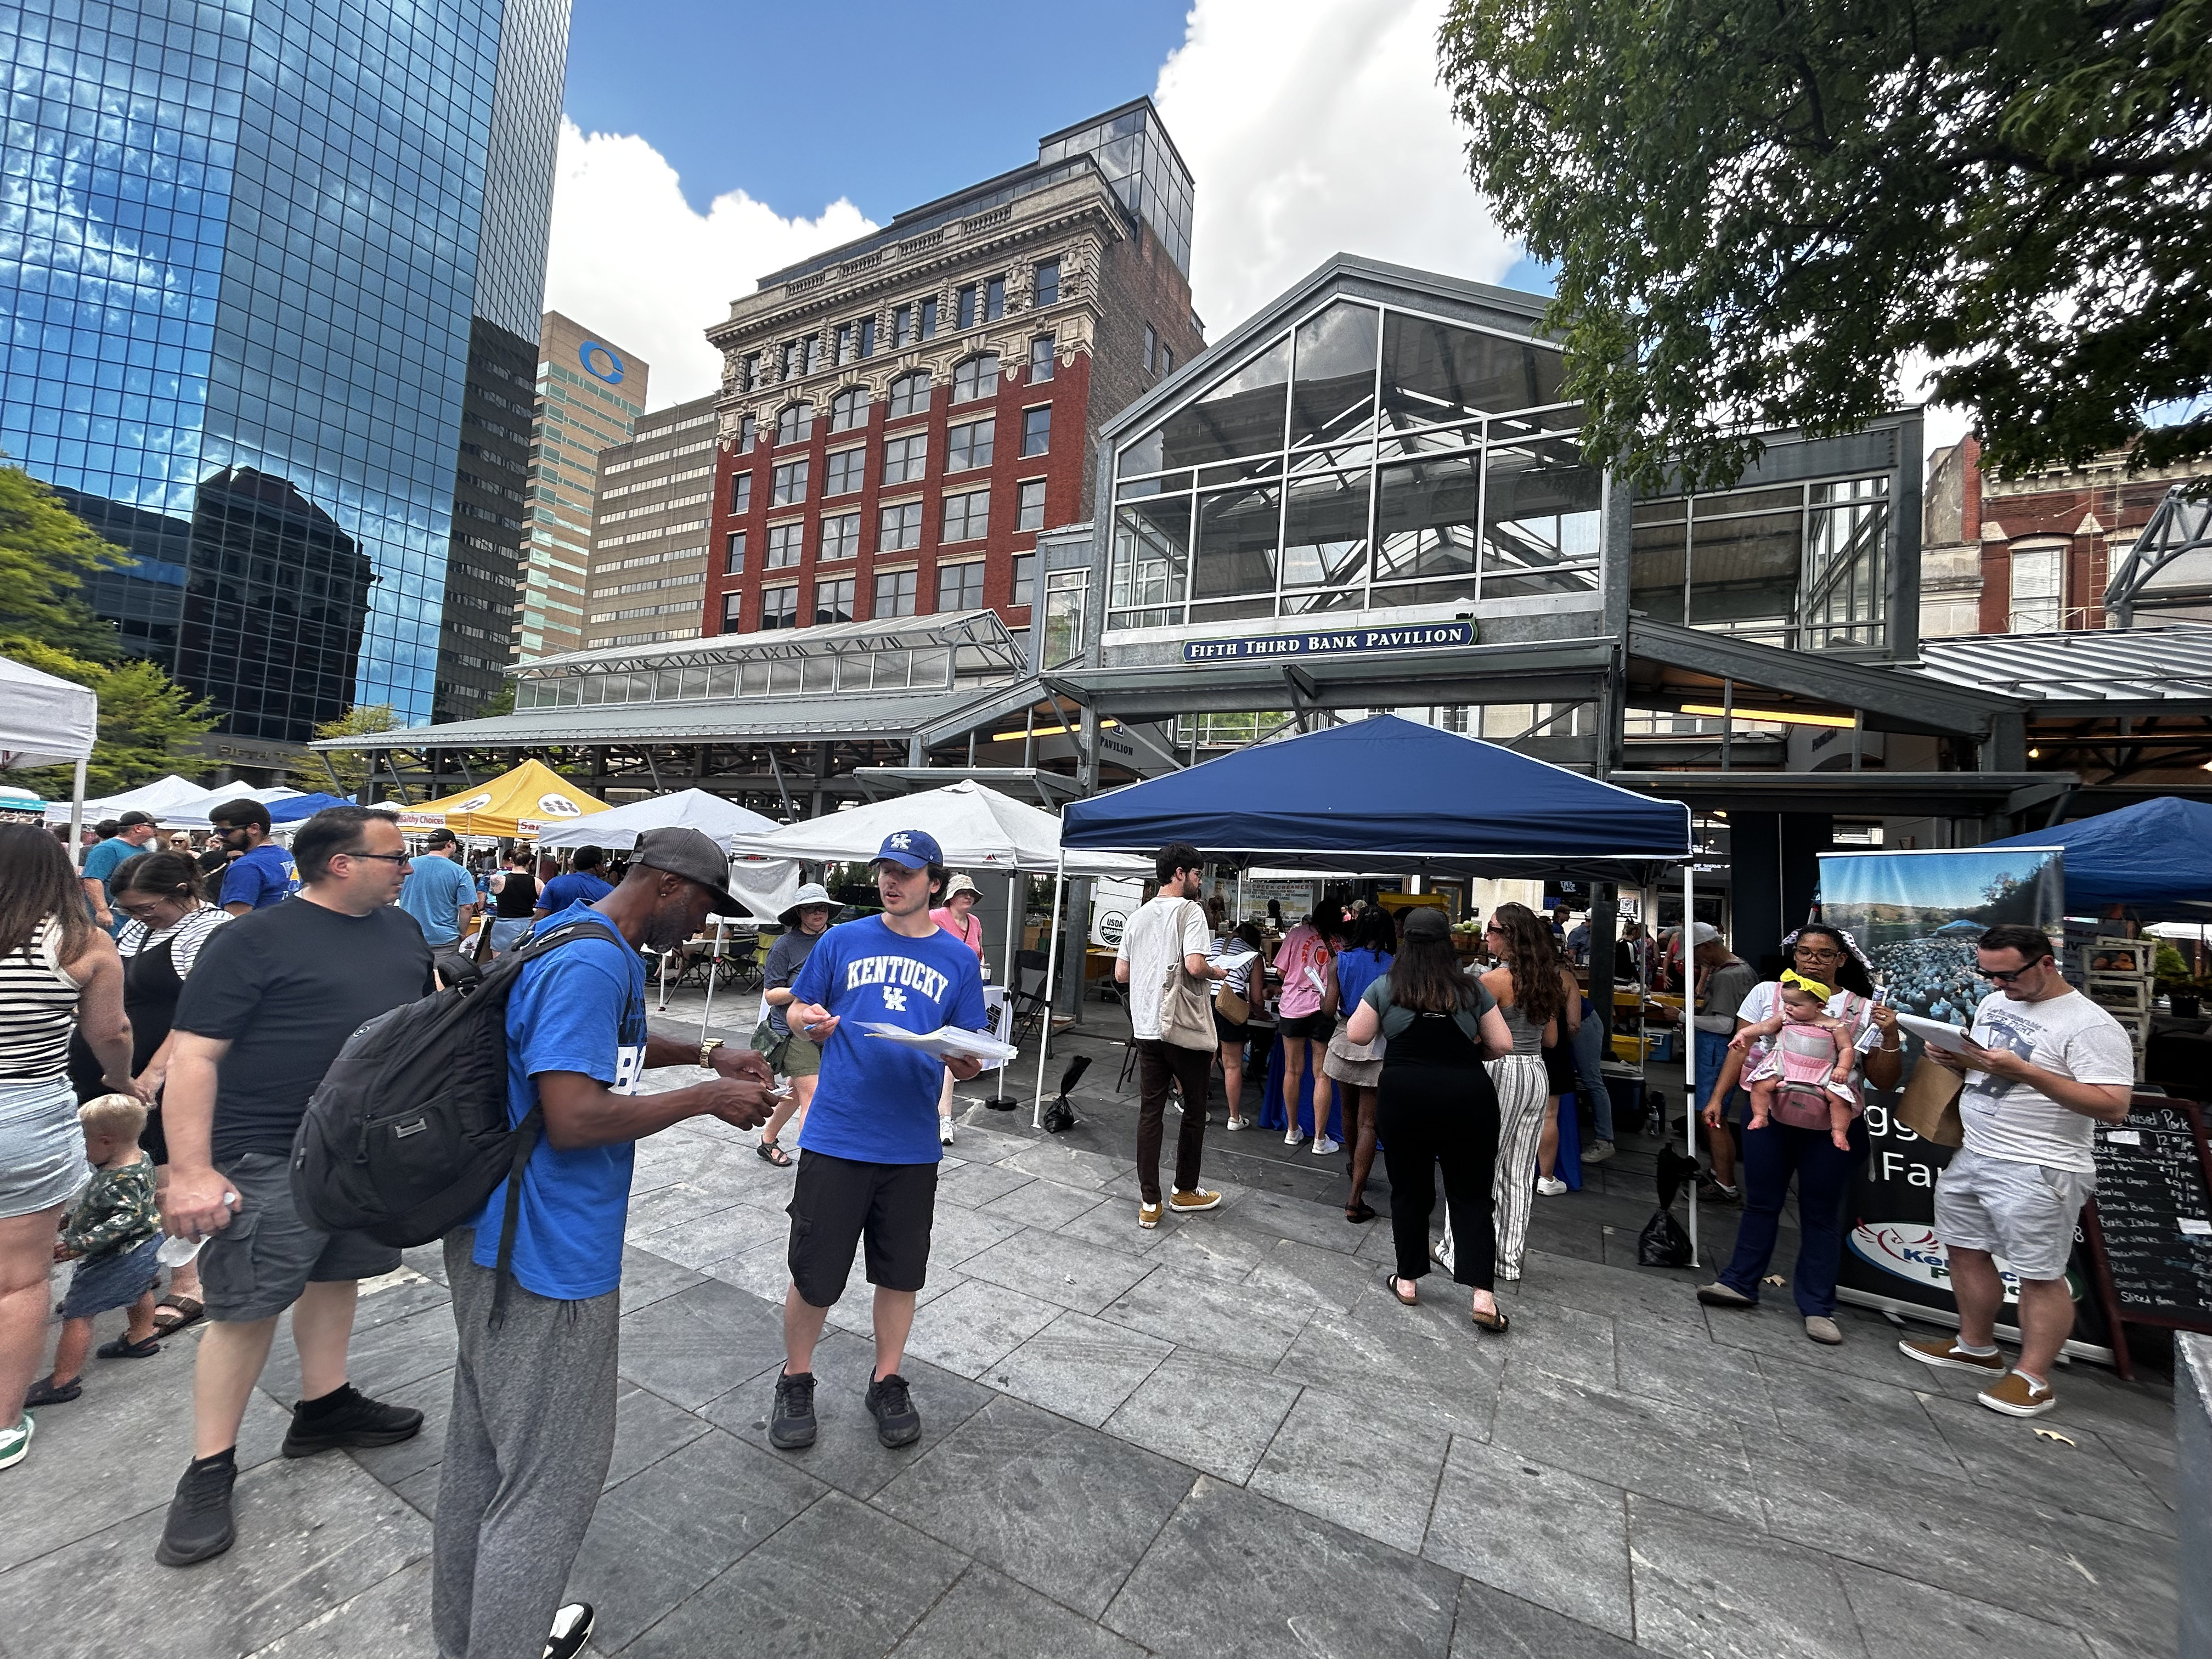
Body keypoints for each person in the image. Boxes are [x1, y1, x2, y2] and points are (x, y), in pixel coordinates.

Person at [432, 827, 776, 1659]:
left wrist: (702, 1051)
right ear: (664, 885)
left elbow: (600, 1045)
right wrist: (703, 1099)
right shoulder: (593, 960)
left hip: (495, 1231)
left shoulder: (575, 933)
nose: (702, 927)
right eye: (701, 906)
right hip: (544, 1249)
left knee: (482, 1460)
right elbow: (575, 1115)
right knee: (550, 1482)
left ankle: (473, 1640)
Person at [154, 806, 436, 1566]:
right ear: (341, 863)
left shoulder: (402, 932)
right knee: (246, 1308)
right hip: (266, 1153)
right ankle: (209, 1468)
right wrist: (189, 1172)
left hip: (361, 1153)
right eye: (394, 857)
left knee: (336, 1274)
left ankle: (325, 1404)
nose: (406, 867)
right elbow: (195, 1058)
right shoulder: (250, 940)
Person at [771, 830, 989, 1453]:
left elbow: (968, 1046)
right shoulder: (842, 939)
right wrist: (805, 1020)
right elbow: (797, 1008)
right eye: (885, 871)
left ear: (935, 884)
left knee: (901, 1273)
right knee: (814, 1272)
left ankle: (887, 1378)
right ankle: (796, 1377)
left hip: (911, 1144)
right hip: (838, 1133)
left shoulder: (957, 959)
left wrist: (967, 1064)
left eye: (906, 872)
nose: (891, 881)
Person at [1898, 924, 2134, 1417]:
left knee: (2040, 1274)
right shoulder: (1994, 1004)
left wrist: (2025, 1071)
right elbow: (1988, 1067)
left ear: (2045, 963)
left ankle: (2033, 1377)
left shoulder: (2091, 1026)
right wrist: (1952, 1058)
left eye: (2007, 975)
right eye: (1988, 975)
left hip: (2041, 1165)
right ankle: (1976, 1345)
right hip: (1977, 1152)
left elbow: (2113, 1106)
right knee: (1964, 1250)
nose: (1997, 985)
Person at [0, 824, 137, 1471]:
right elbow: (111, 1034)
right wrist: (122, 1079)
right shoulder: (85, 944)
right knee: (21, 1281)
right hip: (26, 1113)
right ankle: (2, 1425)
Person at [1697, 923, 1902, 1345]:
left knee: (1821, 1214)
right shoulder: (1768, 995)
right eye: (1805, 952)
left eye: (1824, 953)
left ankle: (1817, 1305)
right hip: (1770, 1117)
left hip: (1830, 1128)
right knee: (1761, 1203)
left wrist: (1890, 1034)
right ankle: (1739, 1281)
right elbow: (1742, 1048)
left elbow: (1881, 1080)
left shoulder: (1859, 1010)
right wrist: (1718, 1099)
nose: (1812, 960)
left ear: (1841, 960)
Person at [71, 853, 230, 1335]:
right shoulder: (138, 929)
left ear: (184, 889)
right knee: (127, 1174)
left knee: (169, 1178)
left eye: (147, 906)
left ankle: (189, 1283)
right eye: (130, 909)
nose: (138, 916)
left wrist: (154, 1075)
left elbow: (200, 1016)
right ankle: (135, 1272)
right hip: (117, 1071)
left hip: (164, 1071)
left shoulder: (213, 931)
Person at [1345, 907, 1514, 1327]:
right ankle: (1483, 1298)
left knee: (1409, 1188)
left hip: (1405, 1097)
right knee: (1473, 1193)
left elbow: (1357, 1034)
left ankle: (1407, 1280)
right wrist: (1469, 1053)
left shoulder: (1387, 986)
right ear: (1448, 945)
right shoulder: (1472, 990)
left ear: (1406, 943)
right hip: (1467, 1095)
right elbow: (1503, 1044)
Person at [24, 1093, 163, 1406]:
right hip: (146, 1243)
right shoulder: (138, 1157)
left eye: (82, 1142)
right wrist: (70, 1220)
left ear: (106, 1141)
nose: (81, 1151)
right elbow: (103, 1207)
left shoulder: (120, 1177)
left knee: (79, 1311)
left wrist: (79, 1243)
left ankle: (63, 1380)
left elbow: (125, 1219)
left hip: (121, 1252)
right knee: (139, 1288)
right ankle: (142, 1337)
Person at [1114, 843, 1226, 1228]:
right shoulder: (1191, 912)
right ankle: (1185, 1190)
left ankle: (1149, 1202)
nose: (1200, 882)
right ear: (1180, 873)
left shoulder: (1137, 916)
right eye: (1197, 874)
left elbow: (1121, 975)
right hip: (1179, 1024)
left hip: (1146, 1026)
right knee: (1194, 1109)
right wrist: (1217, 972)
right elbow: (1195, 965)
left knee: (1150, 1112)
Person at [1480, 903, 1564, 1278]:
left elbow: (1475, 1036)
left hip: (1502, 1069)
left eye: (1492, 928)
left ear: (1510, 935)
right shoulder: (1548, 979)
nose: (1487, 934)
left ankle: (1459, 1245)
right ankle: (1508, 1258)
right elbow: (1551, 1039)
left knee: (1481, 1164)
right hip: (1536, 1071)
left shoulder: (1494, 982)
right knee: (1518, 1170)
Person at [755, 884, 835, 1169]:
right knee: (813, 1092)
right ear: (799, 913)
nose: (818, 913)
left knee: (797, 1092)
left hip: (829, 1030)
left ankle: (767, 1140)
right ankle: (816, 1165)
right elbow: (770, 994)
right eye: (812, 908)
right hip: (793, 1031)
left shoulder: (836, 938)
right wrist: (801, 988)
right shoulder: (785, 946)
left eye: (822, 907)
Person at [1733, 971, 1860, 1148]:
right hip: (1785, 1065)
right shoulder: (1784, 1018)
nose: (1788, 1007)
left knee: (1839, 1099)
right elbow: (1764, 1027)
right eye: (1786, 1002)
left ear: (1819, 1006)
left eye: (1795, 1004)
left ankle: (1839, 1131)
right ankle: (1760, 1116)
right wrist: (1743, 1032)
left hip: (1821, 1071)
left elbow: (1846, 1048)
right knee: (1760, 1085)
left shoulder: (1835, 1026)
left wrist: (1843, 1069)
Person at [1325, 908, 1396, 1221]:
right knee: (1370, 1122)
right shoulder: (1394, 967)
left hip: (1344, 1039)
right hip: (1378, 1045)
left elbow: (1328, 1009)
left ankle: (1354, 1165)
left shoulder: (1339, 960)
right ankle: (1356, 1197)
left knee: (1348, 1112)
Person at [1688, 924, 1759, 1199]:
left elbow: (1722, 1023)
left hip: (1717, 1049)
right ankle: (1720, 1172)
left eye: (1696, 952)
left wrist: (1683, 1018)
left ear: (1707, 947)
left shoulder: (1729, 977)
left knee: (1712, 1116)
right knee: (1713, 1115)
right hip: (1723, 1048)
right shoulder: (1742, 969)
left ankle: (1725, 1183)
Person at [928, 873, 986, 1146]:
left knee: (954, 1052)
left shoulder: (974, 922)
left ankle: (945, 1118)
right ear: (950, 897)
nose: (968, 897)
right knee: (932, 1050)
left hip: (964, 993)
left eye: (972, 894)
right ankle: (938, 1115)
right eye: (963, 893)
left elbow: (979, 953)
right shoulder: (936, 916)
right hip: (937, 992)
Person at [1272, 909, 1335, 1149]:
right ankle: (1320, 1140)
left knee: (1293, 1071)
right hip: (1324, 1009)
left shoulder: (1297, 933)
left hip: (1293, 1008)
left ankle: (1291, 1130)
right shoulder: (1340, 939)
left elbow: (1280, 971)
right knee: (1322, 1074)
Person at [1534, 953, 1584, 1197]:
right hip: (1554, 1052)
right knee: (1549, 1116)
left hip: (1519, 1049)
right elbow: (1575, 1023)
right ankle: (1546, 1177)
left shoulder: (1509, 975)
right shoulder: (1564, 978)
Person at [1210, 921, 1265, 1131]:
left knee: (1208, 1057)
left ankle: (1196, 1108)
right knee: (1233, 1064)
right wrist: (1261, 1014)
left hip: (1206, 1000)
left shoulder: (1216, 943)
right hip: (1230, 1004)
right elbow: (1258, 999)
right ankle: (1234, 1118)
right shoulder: (1254, 956)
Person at [207, 799, 298, 915]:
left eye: (225, 831)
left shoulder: (245, 867)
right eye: (216, 830)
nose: (218, 836)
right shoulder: (286, 856)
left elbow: (235, 922)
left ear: (254, 829)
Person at [395, 827, 481, 949]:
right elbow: (467, 907)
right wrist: (462, 933)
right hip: (444, 939)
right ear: (450, 844)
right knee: (440, 969)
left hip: (408, 934)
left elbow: (389, 897)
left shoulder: (407, 866)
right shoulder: (460, 872)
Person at [81, 811, 157, 931]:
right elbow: (92, 880)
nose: (156, 830)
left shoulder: (143, 849)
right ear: (138, 828)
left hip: (131, 916)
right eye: (152, 826)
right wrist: (102, 911)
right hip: (113, 917)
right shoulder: (107, 848)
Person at [1570, 991, 1615, 1163]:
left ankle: (1604, 1140)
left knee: (1592, 1081)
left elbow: (1573, 1024)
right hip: (1581, 1023)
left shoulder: (1561, 977)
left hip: (1584, 1024)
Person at [483, 848, 539, 955]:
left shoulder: (497, 880)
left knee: (499, 965)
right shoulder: (537, 882)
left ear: (511, 861)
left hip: (503, 927)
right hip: (526, 926)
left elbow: (491, 895)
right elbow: (544, 903)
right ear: (530, 862)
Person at [532, 845, 612, 918]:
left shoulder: (555, 883)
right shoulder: (609, 891)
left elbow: (540, 916)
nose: (604, 867)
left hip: (559, 932)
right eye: (603, 864)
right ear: (597, 866)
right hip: (595, 932)